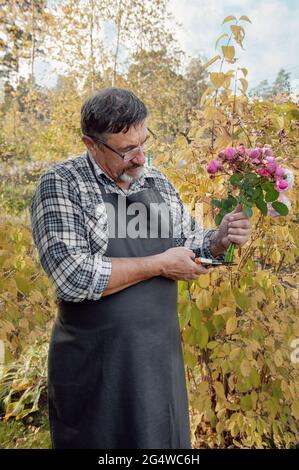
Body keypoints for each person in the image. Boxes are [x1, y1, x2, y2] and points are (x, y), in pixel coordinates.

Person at [30, 87, 251, 449]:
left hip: (157, 361)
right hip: (96, 368)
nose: (139, 157)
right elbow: (73, 276)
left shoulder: (157, 181)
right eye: (126, 149)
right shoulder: (62, 184)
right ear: (91, 143)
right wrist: (159, 264)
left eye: (144, 142)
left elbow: (188, 240)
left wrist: (219, 239)